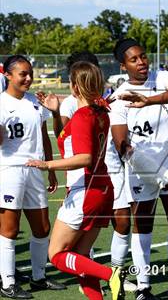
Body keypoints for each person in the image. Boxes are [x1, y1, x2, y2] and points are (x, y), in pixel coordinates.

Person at [110, 38, 168, 300]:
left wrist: (148, 100)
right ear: (123, 65)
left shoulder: (162, 77)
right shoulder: (119, 97)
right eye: (134, 59)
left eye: (143, 56)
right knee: (143, 225)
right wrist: (153, 172)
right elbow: (120, 142)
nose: (141, 63)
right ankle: (143, 288)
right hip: (142, 171)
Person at [36, 51, 136, 293]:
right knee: (81, 260)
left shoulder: (84, 115)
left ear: (75, 86)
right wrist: (55, 112)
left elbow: (83, 157)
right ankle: (105, 282)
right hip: (102, 189)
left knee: (57, 255)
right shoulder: (100, 112)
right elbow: (66, 138)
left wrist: (47, 165)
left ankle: (110, 274)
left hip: (86, 191)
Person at [0, 55, 65, 298]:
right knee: (10, 229)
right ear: (8, 75)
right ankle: (8, 283)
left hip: (36, 169)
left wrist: (50, 168)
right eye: (23, 74)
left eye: (30, 73)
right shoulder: (1, 104)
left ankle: (39, 278)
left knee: (42, 228)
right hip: (9, 170)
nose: (29, 78)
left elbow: (48, 136)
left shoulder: (36, 103)